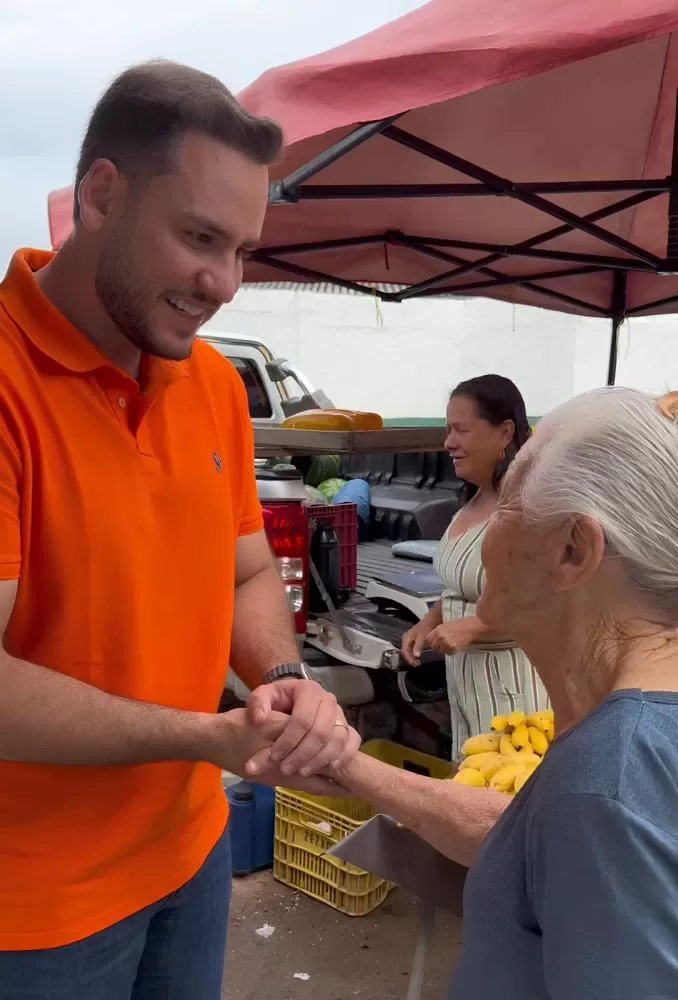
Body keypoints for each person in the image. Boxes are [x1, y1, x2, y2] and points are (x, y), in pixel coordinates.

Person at [0, 61, 360, 1000]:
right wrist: (205, 735)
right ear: (103, 194)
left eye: (243, 249)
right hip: (34, 909)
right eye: (200, 237)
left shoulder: (210, 387)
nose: (225, 283)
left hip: (189, 854)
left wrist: (281, 681)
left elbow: (246, 572)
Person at [334, 386, 678, 998]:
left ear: (573, 550)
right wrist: (351, 769)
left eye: (513, 500)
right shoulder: (622, 741)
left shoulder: (606, 781)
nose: (489, 532)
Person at [401, 374, 547, 760]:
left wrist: (475, 627)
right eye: (448, 430)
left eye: (461, 429)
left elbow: (549, 601)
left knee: (503, 802)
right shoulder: (476, 499)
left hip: (513, 693)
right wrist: (431, 620)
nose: (449, 442)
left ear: (505, 432)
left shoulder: (528, 505)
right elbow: (464, 588)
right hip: (467, 686)